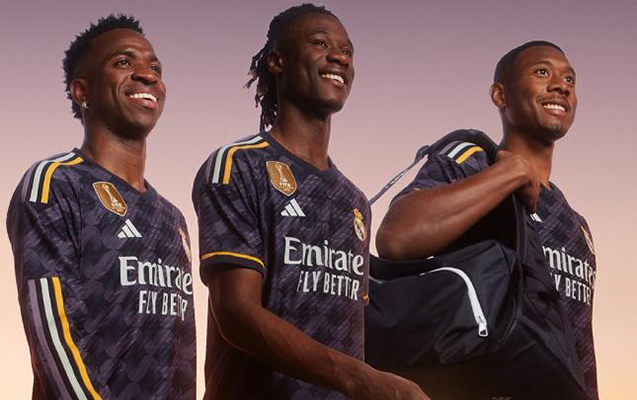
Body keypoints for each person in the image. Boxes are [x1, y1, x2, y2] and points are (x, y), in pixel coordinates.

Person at [192, 4, 429, 400]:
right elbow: (236, 314)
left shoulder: (355, 201)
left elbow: (352, 332)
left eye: (347, 51)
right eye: (320, 44)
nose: (340, 57)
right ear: (277, 61)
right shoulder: (238, 165)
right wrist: (358, 378)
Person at [376, 41, 597, 399]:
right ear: (500, 95)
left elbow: (580, 344)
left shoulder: (576, 225)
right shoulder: (474, 162)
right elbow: (396, 237)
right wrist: (511, 172)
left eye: (570, 79)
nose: (561, 85)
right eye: (543, 72)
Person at [7, 15, 196, 399]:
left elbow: (183, 354)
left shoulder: (172, 219)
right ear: (82, 91)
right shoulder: (56, 183)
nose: (147, 75)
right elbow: (56, 341)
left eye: (155, 68)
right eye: (123, 62)